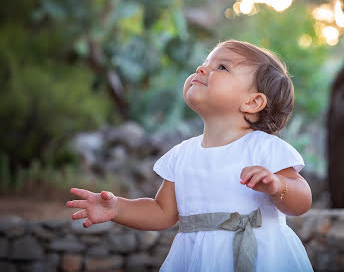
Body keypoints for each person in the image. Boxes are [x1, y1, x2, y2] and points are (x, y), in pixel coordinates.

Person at [67, 39, 314, 272]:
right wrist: (118, 208)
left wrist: (278, 185)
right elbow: (162, 212)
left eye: (222, 67)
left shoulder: (264, 148)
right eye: (205, 63)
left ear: (252, 102)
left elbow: (302, 200)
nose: (202, 69)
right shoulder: (182, 155)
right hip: (197, 258)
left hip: (261, 257)